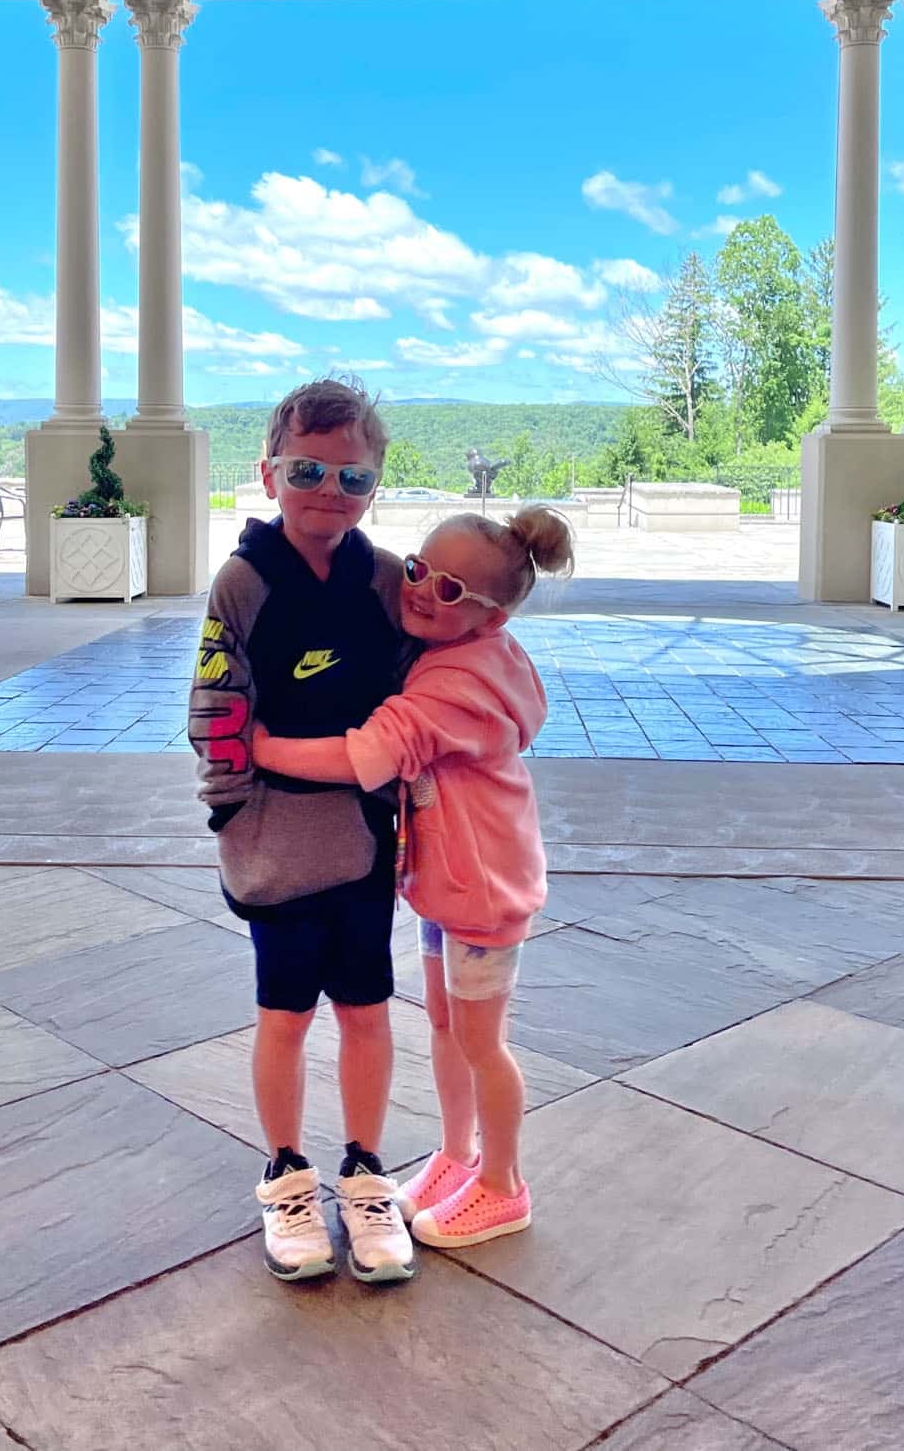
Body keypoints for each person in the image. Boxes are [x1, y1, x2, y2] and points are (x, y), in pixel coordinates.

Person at [253, 504, 574, 1250]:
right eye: (420, 569)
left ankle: (503, 1185)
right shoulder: (468, 651)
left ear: (493, 615)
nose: (424, 591)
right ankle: (458, 1154)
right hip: (449, 883)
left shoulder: (460, 684)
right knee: (446, 1026)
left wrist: (261, 748)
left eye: (452, 590)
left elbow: (367, 753)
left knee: (483, 1043)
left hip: (483, 889)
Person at [188, 378, 415, 1286]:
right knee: (283, 1015)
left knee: (366, 1009)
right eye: (307, 470)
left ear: (376, 484)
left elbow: (426, 682)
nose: (329, 492)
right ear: (269, 474)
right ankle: (286, 1174)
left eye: (353, 477)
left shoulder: (386, 579)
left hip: (363, 839)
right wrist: (232, 810)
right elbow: (216, 703)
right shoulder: (243, 582)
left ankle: (365, 1171)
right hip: (275, 844)